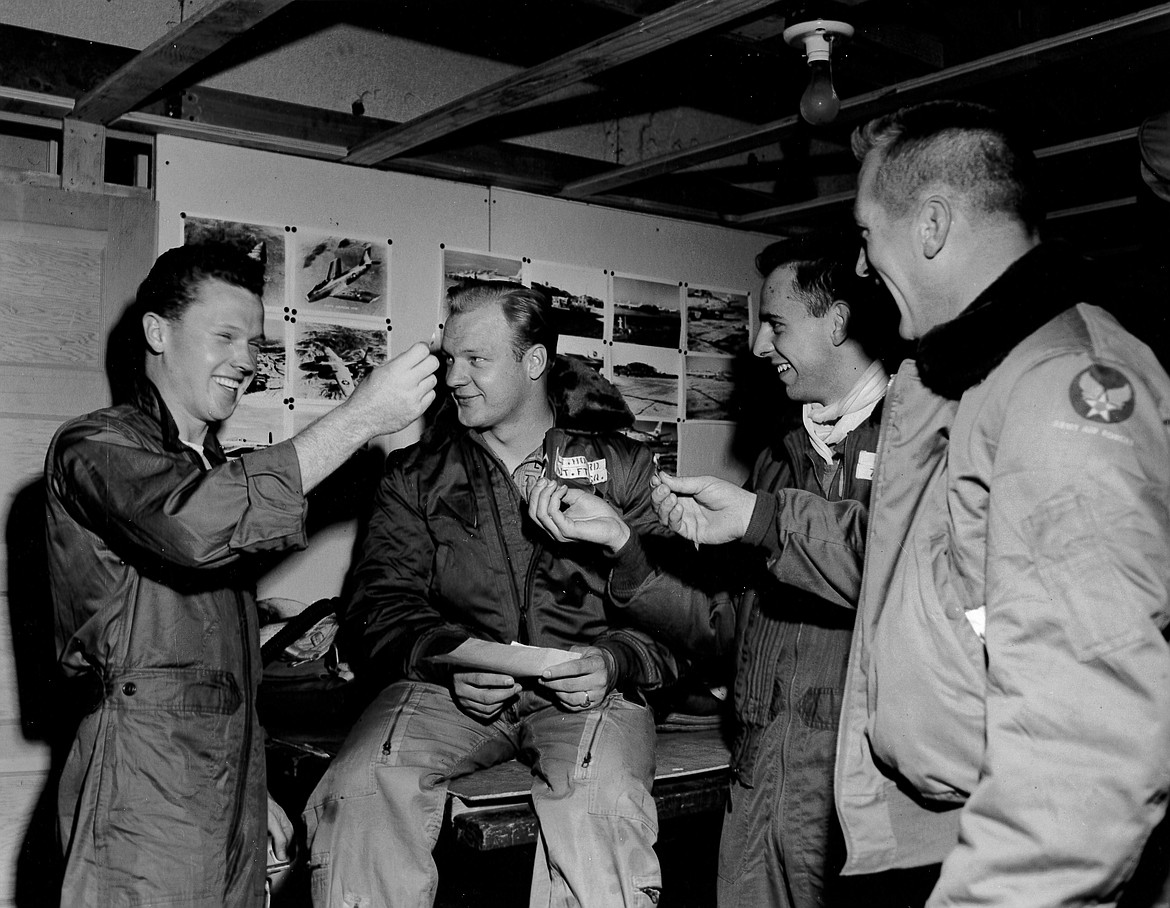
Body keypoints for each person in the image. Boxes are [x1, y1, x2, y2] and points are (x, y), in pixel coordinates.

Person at [658, 99, 1170, 906]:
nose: (860, 269)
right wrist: (760, 518)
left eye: (866, 235)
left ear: (930, 225)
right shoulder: (951, 385)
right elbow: (900, 563)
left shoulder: (1066, 388)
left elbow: (1087, 750)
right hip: (938, 831)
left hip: (1013, 857)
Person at [44, 242, 439, 908]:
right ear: (156, 332)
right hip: (139, 785)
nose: (247, 361)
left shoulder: (208, 467)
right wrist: (362, 415)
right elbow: (193, 529)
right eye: (224, 335)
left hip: (217, 787)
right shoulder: (97, 446)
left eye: (254, 341)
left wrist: (248, 793)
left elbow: (216, 668)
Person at [531, 228, 909, 908]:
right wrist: (626, 549)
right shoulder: (781, 455)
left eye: (774, 323)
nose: (760, 347)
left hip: (860, 792)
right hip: (762, 779)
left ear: (839, 321)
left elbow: (906, 573)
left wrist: (762, 520)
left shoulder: (919, 440)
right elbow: (728, 634)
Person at [303, 282, 695, 908]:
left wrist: (616, 660)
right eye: (448, 358)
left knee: (599, 806)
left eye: (476, 360)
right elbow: (378, 607)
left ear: (533, 362)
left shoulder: (623, 469)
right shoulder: (416, 477)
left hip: (589, 689)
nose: (454, 377)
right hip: (448, 688)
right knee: (359, 787)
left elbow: (681, 611)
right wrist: (446, 657)